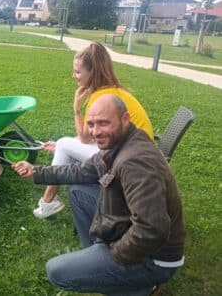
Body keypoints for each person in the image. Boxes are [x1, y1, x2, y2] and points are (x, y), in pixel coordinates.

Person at [13, 95, 185, 295]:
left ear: (125, 119)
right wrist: (36, 171)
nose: (95, 132)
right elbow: (81, 170)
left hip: (155, 259)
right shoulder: (121, 142)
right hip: (132, 227)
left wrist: (116, 253)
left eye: (103, 123)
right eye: (91, 124)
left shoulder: (134, 162)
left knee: (56, 271)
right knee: (78, 191)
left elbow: (152, 230)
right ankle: (98, 259)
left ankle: (137, 287)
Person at [33, 42, 154, 219]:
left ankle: (48, 201)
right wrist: (62, 145)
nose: (73, 76)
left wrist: (76, 108)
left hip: (126, 163)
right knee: (65, 144)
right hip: (136, 155)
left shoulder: (100, 97)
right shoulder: (114, 91)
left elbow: (84, 138)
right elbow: (92, 137)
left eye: (77, 71)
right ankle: (48, 201)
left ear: (92, 71)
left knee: (66, 144)